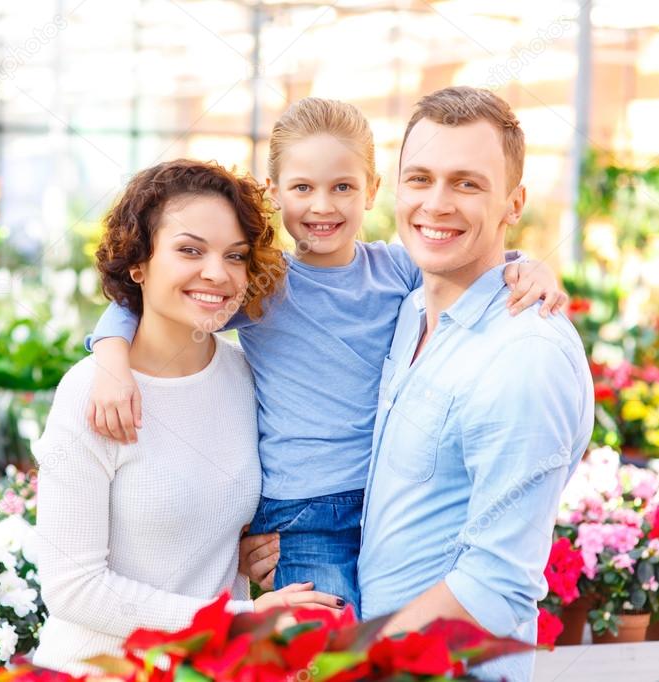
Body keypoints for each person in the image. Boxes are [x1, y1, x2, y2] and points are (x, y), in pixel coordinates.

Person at [84, 98, 565, 611]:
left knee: (381, 638)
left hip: (381, 502)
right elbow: (140, 304)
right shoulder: (266, 286)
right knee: (325, 645)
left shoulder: (399, 270)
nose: (322, 206)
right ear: (274, 194)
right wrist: (112, 362)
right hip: (303, 513)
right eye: (302, 188)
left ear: (373, 190)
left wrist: (534, 268)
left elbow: (485, 263)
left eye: (342, 187)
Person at [31, 159, 341, 676]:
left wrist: (248, 556)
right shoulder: (94, 391)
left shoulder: (247, 375)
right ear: (139, 264)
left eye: (235, 256)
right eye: (190, 250)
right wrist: (239, 620)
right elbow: (74, 588)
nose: (217, 274)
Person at [355, 86, 594, 682]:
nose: (436, 204)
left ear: (514, 203)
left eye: (466, 183)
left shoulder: (524, 355)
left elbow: (496, 581)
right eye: (420, 179)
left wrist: (353, 662)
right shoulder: (410, 310)